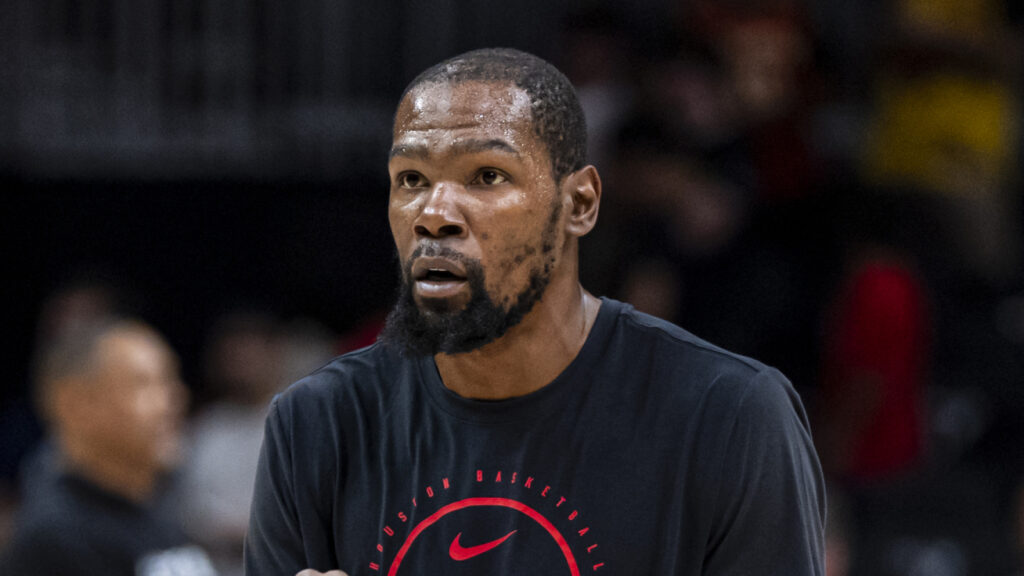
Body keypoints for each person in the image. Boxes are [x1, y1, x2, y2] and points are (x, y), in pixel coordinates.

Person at [244, 47, 825, 576]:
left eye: (487, 176)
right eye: (412, 179)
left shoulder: (731, 417)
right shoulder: (317, 424)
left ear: (580, 203)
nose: (434, 213)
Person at [0, 318, 217, 576]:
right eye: (144, 383)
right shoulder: (53, 540)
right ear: (75, 404)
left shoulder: (166, 509)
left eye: (170, 382)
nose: (174, 400)